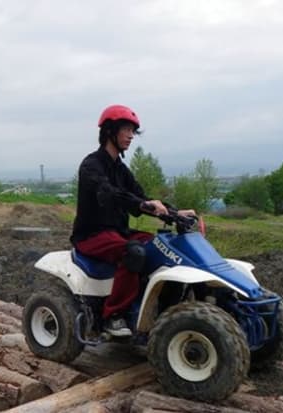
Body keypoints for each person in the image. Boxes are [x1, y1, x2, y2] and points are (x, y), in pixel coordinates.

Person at [71, 104, 195, 336]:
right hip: (92, 235)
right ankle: (114, 315)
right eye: (126, 130)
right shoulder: (91, 166)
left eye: (132, 131)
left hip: (117, 232)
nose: (130, 136)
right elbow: (110, 193)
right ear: (110, 131)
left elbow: (141, 197)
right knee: (134, 252)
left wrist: (174, 213)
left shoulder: (121, 169)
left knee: (162, 247)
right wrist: (141, 205)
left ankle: (159, 310)